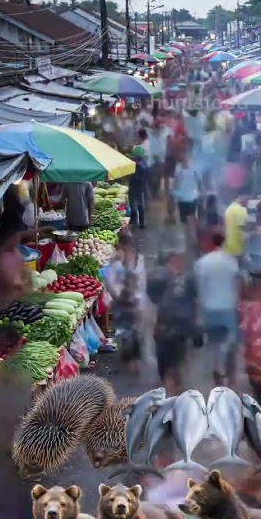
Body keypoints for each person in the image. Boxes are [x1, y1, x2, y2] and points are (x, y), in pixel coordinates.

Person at [193, 232, 244, 387]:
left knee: (214, 344)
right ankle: (232, 380)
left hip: (210, 310)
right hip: (228, 309)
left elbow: (199, 290)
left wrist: (198, 314)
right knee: (231, 345)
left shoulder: (201, 263)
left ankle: (218, 373)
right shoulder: (231, 261)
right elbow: (237, 286)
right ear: (224, 243)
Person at [152, 252, 197, 394]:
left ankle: (173, 385)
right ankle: (172, 385)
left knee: (175, 360)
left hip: (174, 329)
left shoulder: (184, 282)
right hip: (169, 329)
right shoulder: (163, 281)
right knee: (172, 360)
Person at [105, 234, 149, 376]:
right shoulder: (118, 264)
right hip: (125, 304)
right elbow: (111, 284)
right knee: (127, 333)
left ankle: (133, 360)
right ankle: (131, 356)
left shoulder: (133, 262)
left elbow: (140, 282)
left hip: (132, 305)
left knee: (132, 333)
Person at [172, 161, 200, 228]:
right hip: (191, 198)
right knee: (191, 217)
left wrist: (174, 194)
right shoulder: (194, 172)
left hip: (183, 199)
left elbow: (175, 185)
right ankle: (190, 231)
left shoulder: (180, 173)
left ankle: (187, 230)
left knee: (184, 219)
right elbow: (199, 182)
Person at [128, 146, 149, 230]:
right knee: (139, 205)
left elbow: (134, 177)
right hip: (141, 186)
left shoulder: (137, 165)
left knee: (134, 204)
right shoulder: (144, 164)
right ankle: (141, 223)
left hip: (136, 186)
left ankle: (135, 222)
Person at [223, 192, 249, 256]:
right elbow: (242, 231)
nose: (248, 203)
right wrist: (255, 233)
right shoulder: (241, 210)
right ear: (243, 197)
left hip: (228, 249)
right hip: (238, 251)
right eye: (248, 199)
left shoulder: (228, 209)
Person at [147, 121, 168, 197]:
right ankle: (152, 192)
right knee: (152, 178)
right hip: (152, 161)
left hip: (161, 160)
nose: (160, 129)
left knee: (158, 177)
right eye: (159, 128)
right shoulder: (150, 137)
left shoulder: (163, 136)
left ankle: (155, 192)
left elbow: (164, 148)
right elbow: (149, 149)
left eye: (161, 128)